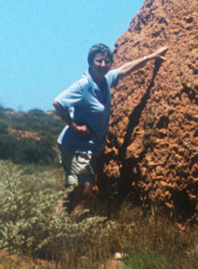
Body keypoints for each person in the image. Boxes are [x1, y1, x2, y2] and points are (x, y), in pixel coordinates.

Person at [53, 42, 168, 218]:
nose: (103, 65)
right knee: (85, 196)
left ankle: (54, 228)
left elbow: (125, 69)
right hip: (78, 147)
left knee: (70, 191)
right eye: (99, 61)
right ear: (90, 62)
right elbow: (57, 103)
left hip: (87, 147)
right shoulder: (83, 85)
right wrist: (75, 126)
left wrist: (151, 56)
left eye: (107, 62)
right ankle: (71, 237)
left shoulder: (105, 80)